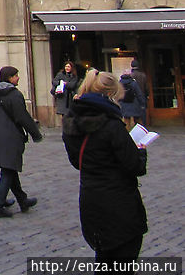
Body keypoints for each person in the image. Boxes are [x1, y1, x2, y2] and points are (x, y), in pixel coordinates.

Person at [62, 70, 148, 265]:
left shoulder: (71, 122)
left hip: (91, 198)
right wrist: (140, 151)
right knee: (123, 258)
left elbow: (77, 162)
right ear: (110, 95)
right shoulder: (111, 125)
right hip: (119, 202)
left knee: (104, 258)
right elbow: (135, 166)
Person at [0, 66, 42, 218]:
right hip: (11, 137)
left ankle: (22, 200)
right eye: (15, 76)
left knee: (9, 168)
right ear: (9, 78)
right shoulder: (14, 95)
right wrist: (35, 134)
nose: (18, 78)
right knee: (8, 171)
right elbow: (22, 117)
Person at [129, 60, 148, 125]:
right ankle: (143, 126)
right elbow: (146, 88)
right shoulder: (143, 75)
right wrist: (147, 95)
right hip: (142, 96)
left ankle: (137, 127)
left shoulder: (130, 76)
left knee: (135, 115)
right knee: (143, 113)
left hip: (133, 98)